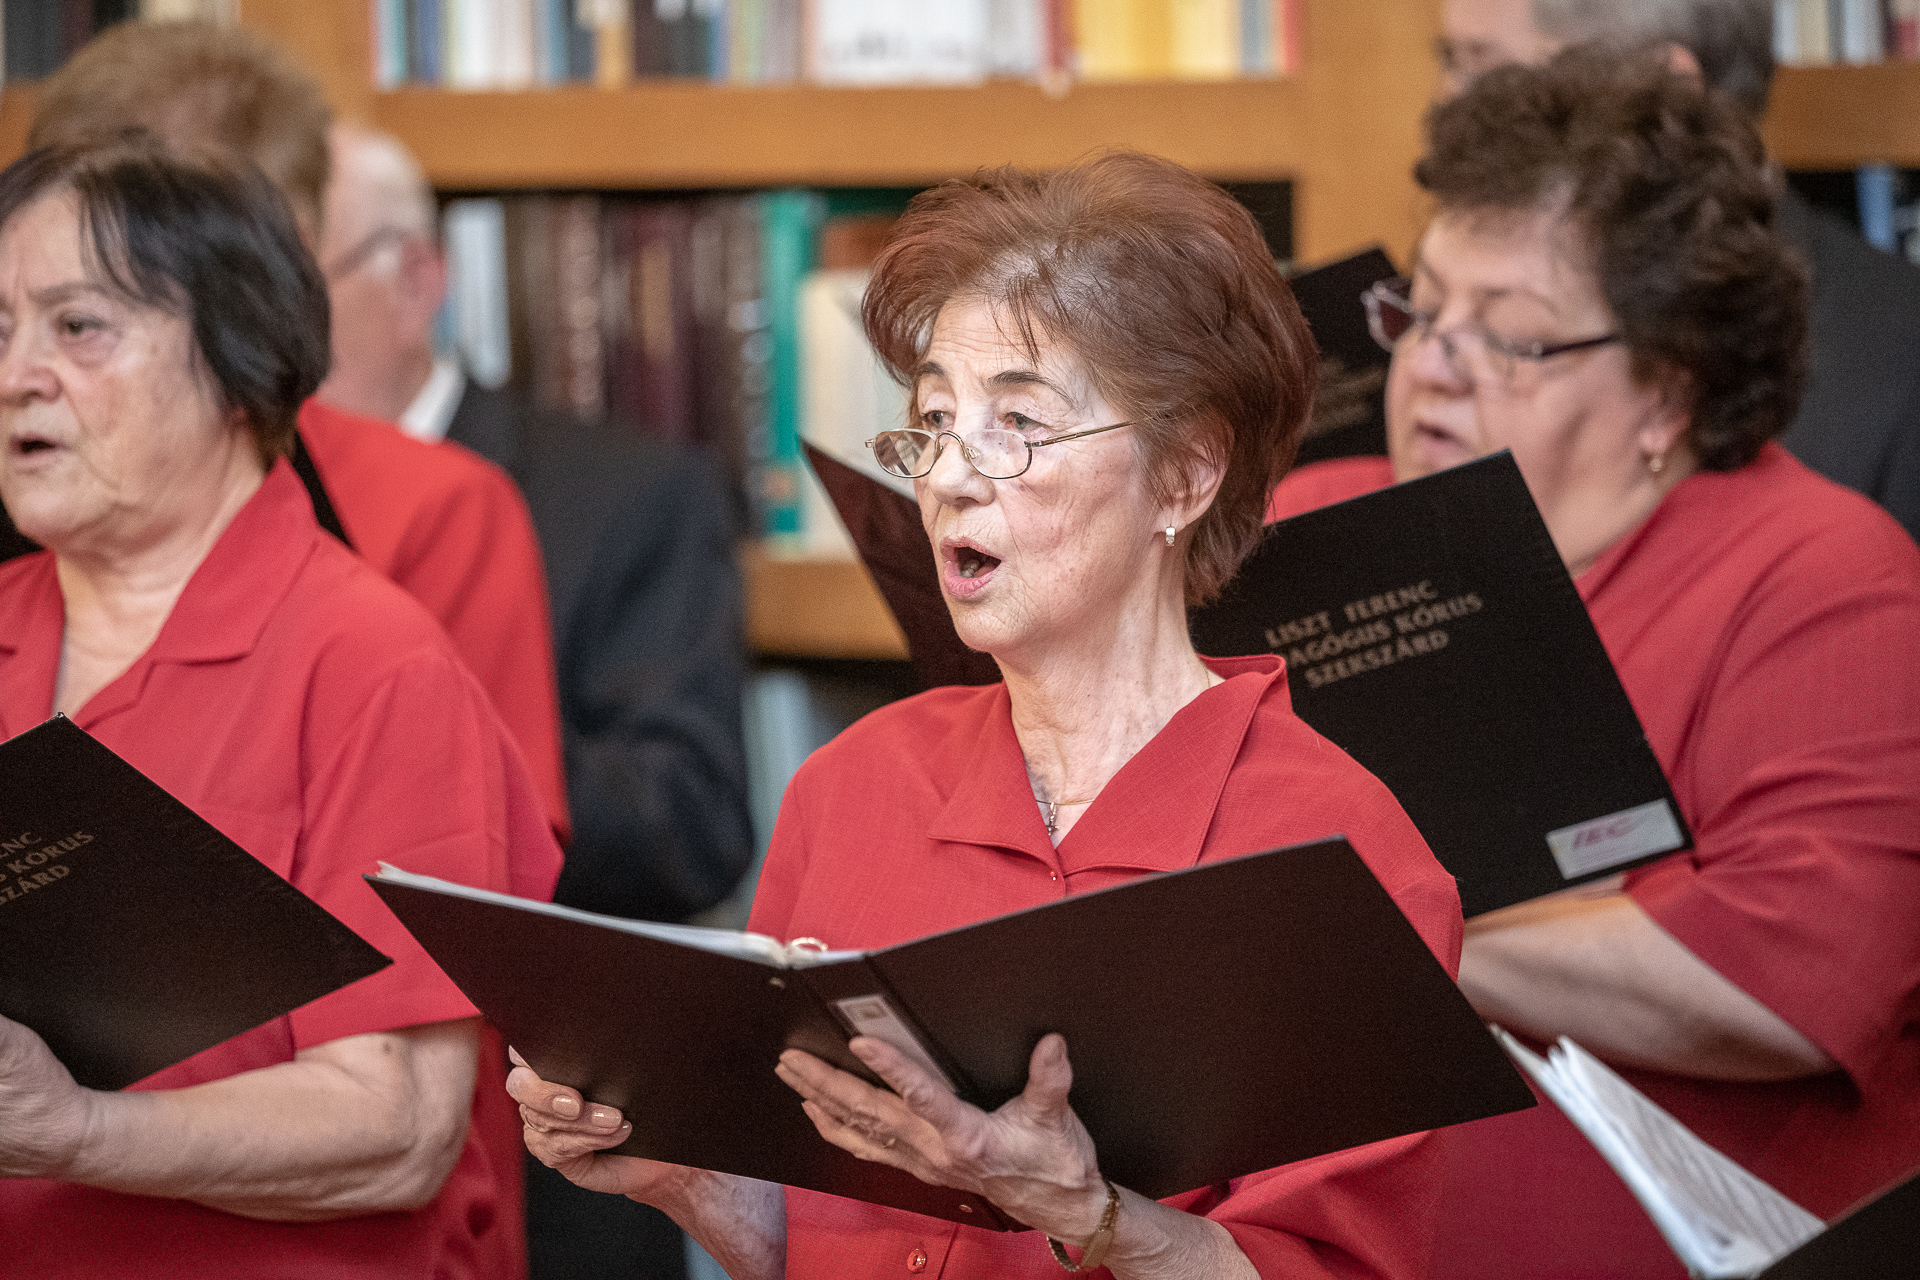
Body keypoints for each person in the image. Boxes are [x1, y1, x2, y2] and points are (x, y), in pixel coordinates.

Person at [510, 152, 1467, 1280]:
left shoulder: (1340, 846)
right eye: (932, 421)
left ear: (1185, 474)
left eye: (1017, 423)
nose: (951, 477)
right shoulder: (852, 784)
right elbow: (813, 1250)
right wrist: (678, 1166)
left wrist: (1086, 1212)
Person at [1270, 51, 1920, 1278]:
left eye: (1509, 339)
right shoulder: (1310, 527)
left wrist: (1368, 932)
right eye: (1421, 312)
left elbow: (1788, 985)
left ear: (1668, 392)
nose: (1433, 365)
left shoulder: (1823, 575)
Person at [0, 137, 562, 1276]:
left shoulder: (374, 665)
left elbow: (396, 1126)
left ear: (238, 359)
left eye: (78, 326)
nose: (17, 373)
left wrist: (75, 1131)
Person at [318, 121, 755, 1280]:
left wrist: (438, 755)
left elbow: (692, 822)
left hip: (560, 1138)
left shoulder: (623, 489)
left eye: (295, 287)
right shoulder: (228, 508)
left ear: (418, 279)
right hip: (291, 1110)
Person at [20, 19, 572, 838]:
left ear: (265, 262)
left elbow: (469, 857)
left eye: (88, 310)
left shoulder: (437, 509)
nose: (28, 372)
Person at [1433, 0, 1920, 543]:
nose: (1446, 101)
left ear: (1667, 87)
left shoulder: (1897, 365)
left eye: (1486, 70)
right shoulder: (1445, 312)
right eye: (1450, 61)